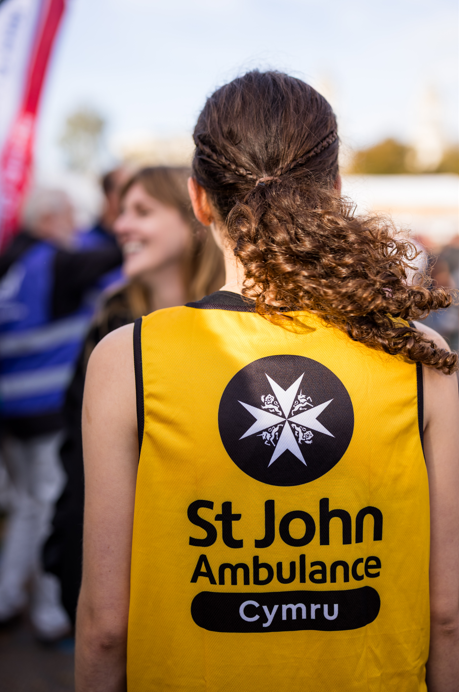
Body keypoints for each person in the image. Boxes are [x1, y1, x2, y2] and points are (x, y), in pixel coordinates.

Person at [75, 72, 459, 692]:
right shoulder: (418, 353)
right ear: (334, 190)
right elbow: (446, 614)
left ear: (199, 199)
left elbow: (103, 626)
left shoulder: (130, 358)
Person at [43, 166, 225, 625]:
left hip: (212, 573)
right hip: (121, 587)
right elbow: (76, 463)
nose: (121, 225)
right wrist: (68, 564)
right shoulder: (110, 327)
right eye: (121, 211)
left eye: (142, 211)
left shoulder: (236, 334)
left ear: (195, 215)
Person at [0, 187, 122, 639]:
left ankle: (7, 597)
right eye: (69, 214)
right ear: (48, 219)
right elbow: (112, 254)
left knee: (28, 505)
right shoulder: (57, 261)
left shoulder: (10, 261)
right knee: (51, 508)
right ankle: (51, 613)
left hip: (9, 412)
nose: (75, 224)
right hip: (46, 410)